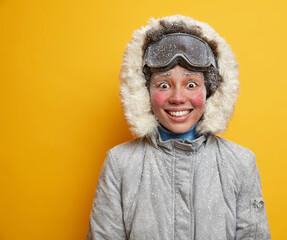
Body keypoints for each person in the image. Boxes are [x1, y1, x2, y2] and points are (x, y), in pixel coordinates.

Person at [87, 15, 271, 239]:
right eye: (163, 84)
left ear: (210, 91)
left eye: (191, 84)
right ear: (144, 92)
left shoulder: (240, 164)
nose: (177, 98)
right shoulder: (120, 164)